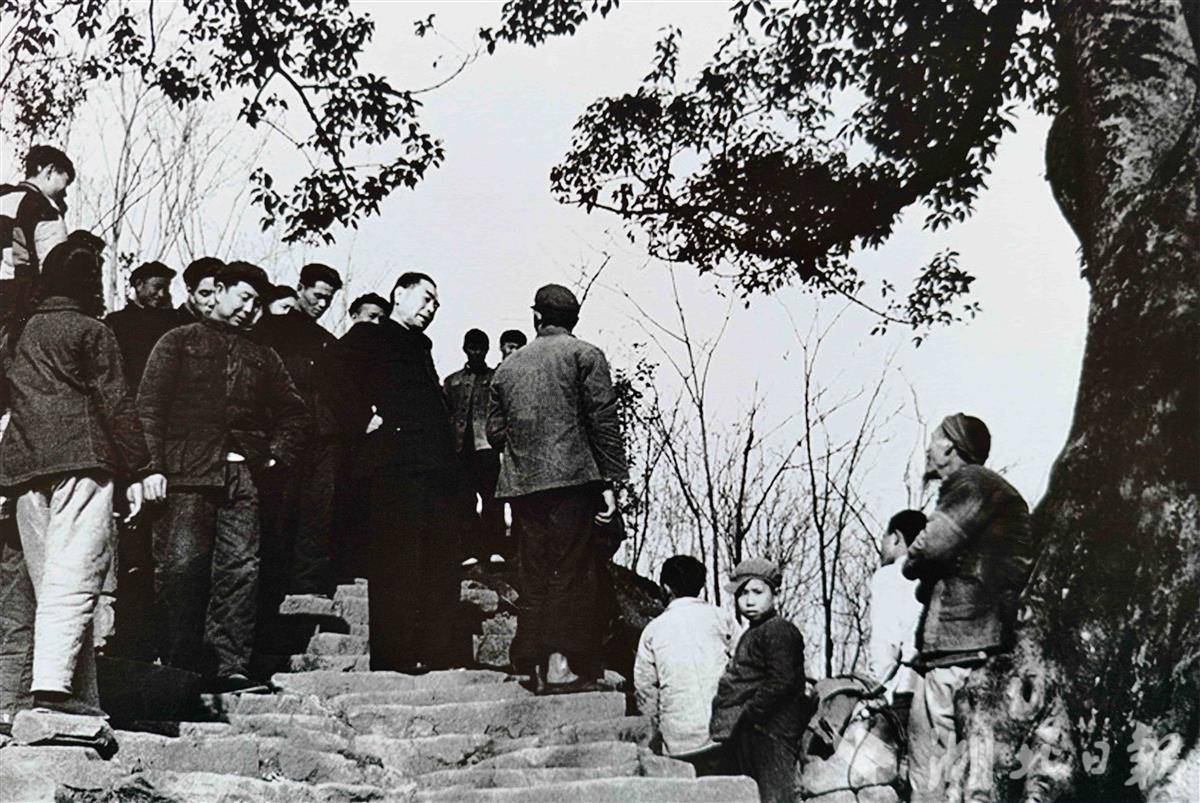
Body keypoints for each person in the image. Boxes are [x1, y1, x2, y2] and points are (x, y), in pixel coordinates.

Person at [0, 242, 155, 720]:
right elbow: (116, 402)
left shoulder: (18, 331)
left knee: (48, 585)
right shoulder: (92, 331)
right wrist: (141, 468)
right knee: (75, 581)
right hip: (81, 463)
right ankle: (53, 689)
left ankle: (76, 697)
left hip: (25, 470)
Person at [138, 261, 308, 692]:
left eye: (257, 303)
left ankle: (229, 668)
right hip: (185, 475)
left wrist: (275, 457)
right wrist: (151, 468)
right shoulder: (177, 341)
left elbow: (295, 413)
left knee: (240, 570)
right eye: (244, 297)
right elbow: (150, 409)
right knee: (181, 569)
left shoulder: (264, 355)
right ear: (218, 292)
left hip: (243, 478)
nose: (250, 309)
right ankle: (179, 666)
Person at [487, 284, 627, 693]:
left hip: (523, 485)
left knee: (532, 571)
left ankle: (527, 662)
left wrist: (528, 442)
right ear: (574, 319)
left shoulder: (508, 367)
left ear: (536, 317)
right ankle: (559, 667)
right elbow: (603, 422)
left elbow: (494, 433)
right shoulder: (586, 355)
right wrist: (609, 481)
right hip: (573, 480)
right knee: (570, 570)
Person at [326, 271, 468, 672]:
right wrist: (361, 419)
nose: (431, 308)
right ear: (399, 294)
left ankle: (436, 652)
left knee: (437, 559)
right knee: (396, 560)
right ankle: (395, 656)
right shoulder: (371, 336)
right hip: (394, 467)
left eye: (436, 304)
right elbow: (331, 375)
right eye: (426, 298)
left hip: (434, 469)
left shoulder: (421, 345)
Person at [902, 414, 1034, 803]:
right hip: (978, 646)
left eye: (934, 439)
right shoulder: (989, 489)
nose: (928, 448)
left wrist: (912, 563)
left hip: (960, 647)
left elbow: (929, 546)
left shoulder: (970, 482)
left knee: (936, 769)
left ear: (950, 447)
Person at [255, 263, 342, 600]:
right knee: (280, 509)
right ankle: (273, 587)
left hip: (323, 436)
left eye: (328, 299)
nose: (322, 304)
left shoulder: (327, 342)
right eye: (317, 295)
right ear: (301, 289)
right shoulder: (271, 331)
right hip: (284, 434)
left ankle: (308, 585)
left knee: (317, 511)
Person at [710, 558, 807, 803]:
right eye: (742, 593)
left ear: (775, 594)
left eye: (757, 592)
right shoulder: (754, 631)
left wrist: (751, 713)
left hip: (773, 731)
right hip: (752, 731)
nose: (749, 600)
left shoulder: (778, 630)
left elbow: (782, 680)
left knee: (775, 797)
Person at [635, 555, 736, 761]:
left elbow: (645, 688)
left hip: (678, 742)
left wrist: (656, 728)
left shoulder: (653, 630)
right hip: (724, 734)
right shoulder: (722, 618)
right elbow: (744, 662)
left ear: (666, 588)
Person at [443, 329, 506, 566]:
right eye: (472, 348)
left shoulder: (496, 379)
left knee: (492, 500)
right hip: (460, 449)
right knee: (464, 500)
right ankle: (470, 549)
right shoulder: (452, 381)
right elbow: (446, 412)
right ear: (465, 349)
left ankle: (495, 548)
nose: (476, 352)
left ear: (487, 350)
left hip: (487, 447)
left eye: (480, 348)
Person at [1, 145, 74, 325]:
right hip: (19, 309)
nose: (64, 194)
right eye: (64, 184)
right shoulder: (44, 210)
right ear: (49, 170)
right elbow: (55, 269)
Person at [868, 509, 926, 732]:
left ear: (895, 538)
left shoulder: (889, 576)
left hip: (904, 691)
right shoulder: (933, 575)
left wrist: (874, 691)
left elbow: (886, 645)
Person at [104, 261, 182, 390]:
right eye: (157, 287)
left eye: (166, 289)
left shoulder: (172, 321)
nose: (162, 294)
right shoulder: (116, 322)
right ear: (139, 285)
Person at [180, 257, 224, 321]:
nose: (213, 302)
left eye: (219, 294)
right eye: (205, 294)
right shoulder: (168, 322)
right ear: (190, 290)